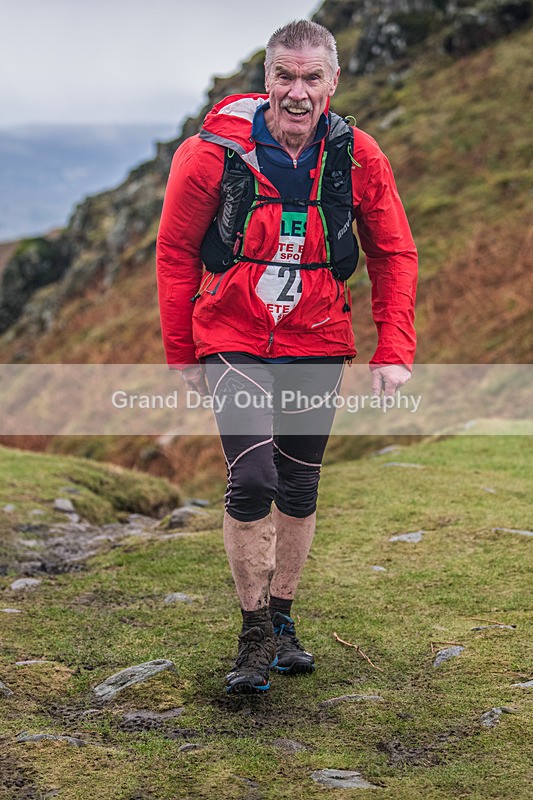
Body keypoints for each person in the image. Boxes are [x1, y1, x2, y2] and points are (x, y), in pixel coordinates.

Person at [156, 19, 417, 694]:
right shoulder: (210, 153)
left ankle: (281, 622)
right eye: (284, 76)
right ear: (266, 79)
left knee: (299, 484)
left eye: (311, 77)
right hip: (230, 334)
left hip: (317, 339)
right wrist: (180, 352)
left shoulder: (358, 156)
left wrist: (394, 348)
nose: (296, 92)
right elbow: (176, 251)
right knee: (254, 480)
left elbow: (393, 252)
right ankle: (249, 636)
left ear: (332, 81)